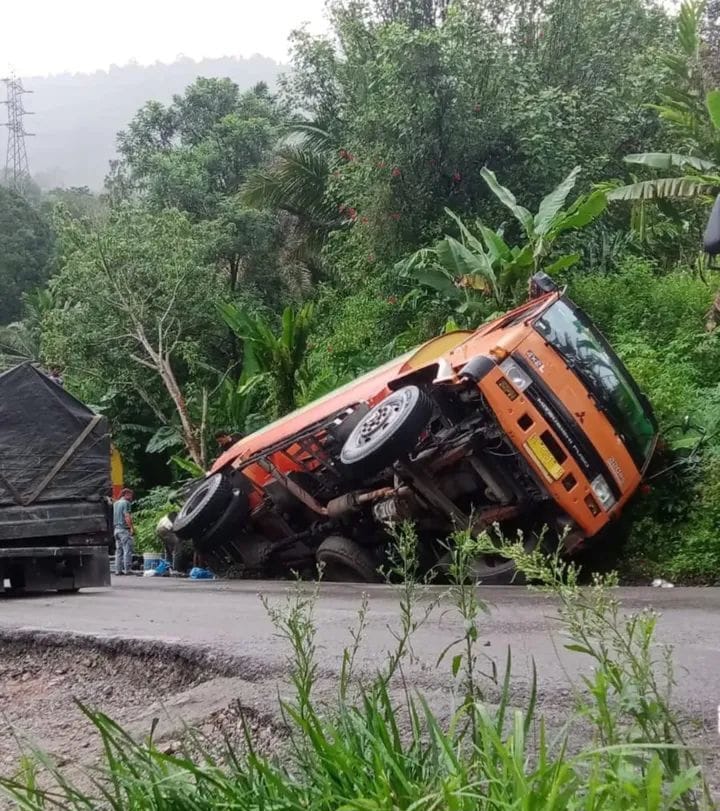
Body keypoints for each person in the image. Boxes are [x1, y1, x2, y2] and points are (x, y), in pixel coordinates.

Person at [113, 488, 135, 575]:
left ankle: (118, 570)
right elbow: (127, 516)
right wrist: (132, 528)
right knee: (127, 550)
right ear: (126, 494)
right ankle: (127, 570)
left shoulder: (116, 503)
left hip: (116, 530)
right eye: (131, 495)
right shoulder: (126, 503)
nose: (131, 497)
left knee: (118, 551)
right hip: (124, 530)